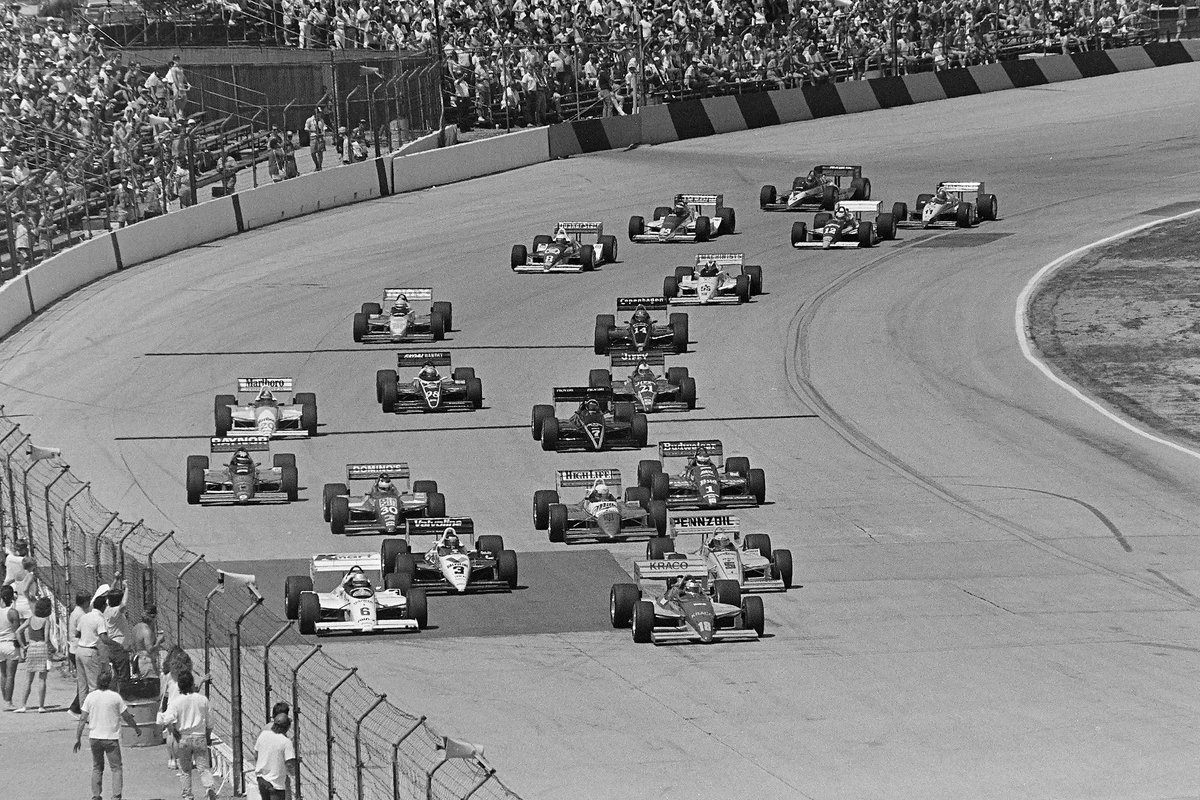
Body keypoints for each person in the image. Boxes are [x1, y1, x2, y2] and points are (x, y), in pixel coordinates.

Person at [75, 668, 142, 800]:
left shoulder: (90, 697)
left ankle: (96, 795)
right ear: (110, 682)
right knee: (116, 768)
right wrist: (136, 728)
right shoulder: (115, 697)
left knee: (97, 767)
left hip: (95, 737)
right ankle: (116, 796)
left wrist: (78, 738)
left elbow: (82, 719)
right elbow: (126, 716)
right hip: (111, 737)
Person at [162, 669, 217, 800]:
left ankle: (187, 795)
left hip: (183, 738)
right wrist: (208, 735)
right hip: (200, 737)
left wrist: (173, 729)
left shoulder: (177, 702)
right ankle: (209, 788)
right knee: (203, 767)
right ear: (192, 684)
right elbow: (210, 721)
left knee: (185, 770)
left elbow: (167, 719)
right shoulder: (202, 699)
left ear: (179, 686)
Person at [14, 595, 54, 712]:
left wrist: (23, 646)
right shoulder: (46, 621)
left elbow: (18, 631)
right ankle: (41, 706)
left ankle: (23, 705)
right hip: (42, 648)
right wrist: (51, 650)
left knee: (28, 679)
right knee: (42, 679)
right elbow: (46, 639)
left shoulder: (30, 619)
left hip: (31, 648)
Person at [75, 587, 112, 711]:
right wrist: (117, 645)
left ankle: (83, 711)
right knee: (93, 684)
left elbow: (77, 633)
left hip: (79, 650)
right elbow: (103, 637)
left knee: (82, 684)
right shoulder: (99, 618)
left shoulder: (85, 616)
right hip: (90, 651)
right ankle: (94, 712)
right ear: (103, 607)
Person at [254, 707, 297, 800]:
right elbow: (289, 764)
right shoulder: (286, 742)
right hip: (276, 784)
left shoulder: (263, 734)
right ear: (286, 727)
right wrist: (294, 773)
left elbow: (256, 755)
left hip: (262, 779)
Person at [67, 591, 90, 714]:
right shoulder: (81, 615)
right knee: (84, 681)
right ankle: (76, 708)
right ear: (85, 601)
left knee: (82, 681)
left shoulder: (76, 612)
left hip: (73, 648)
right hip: (78, 649)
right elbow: (80, 631)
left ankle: (77, 707)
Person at [0, 585, 20, 709]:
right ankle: (9, 701)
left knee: (2, 674)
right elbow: (17, 631)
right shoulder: (13, 612)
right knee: (11, 675)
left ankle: (4, 698)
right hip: (10, 643)